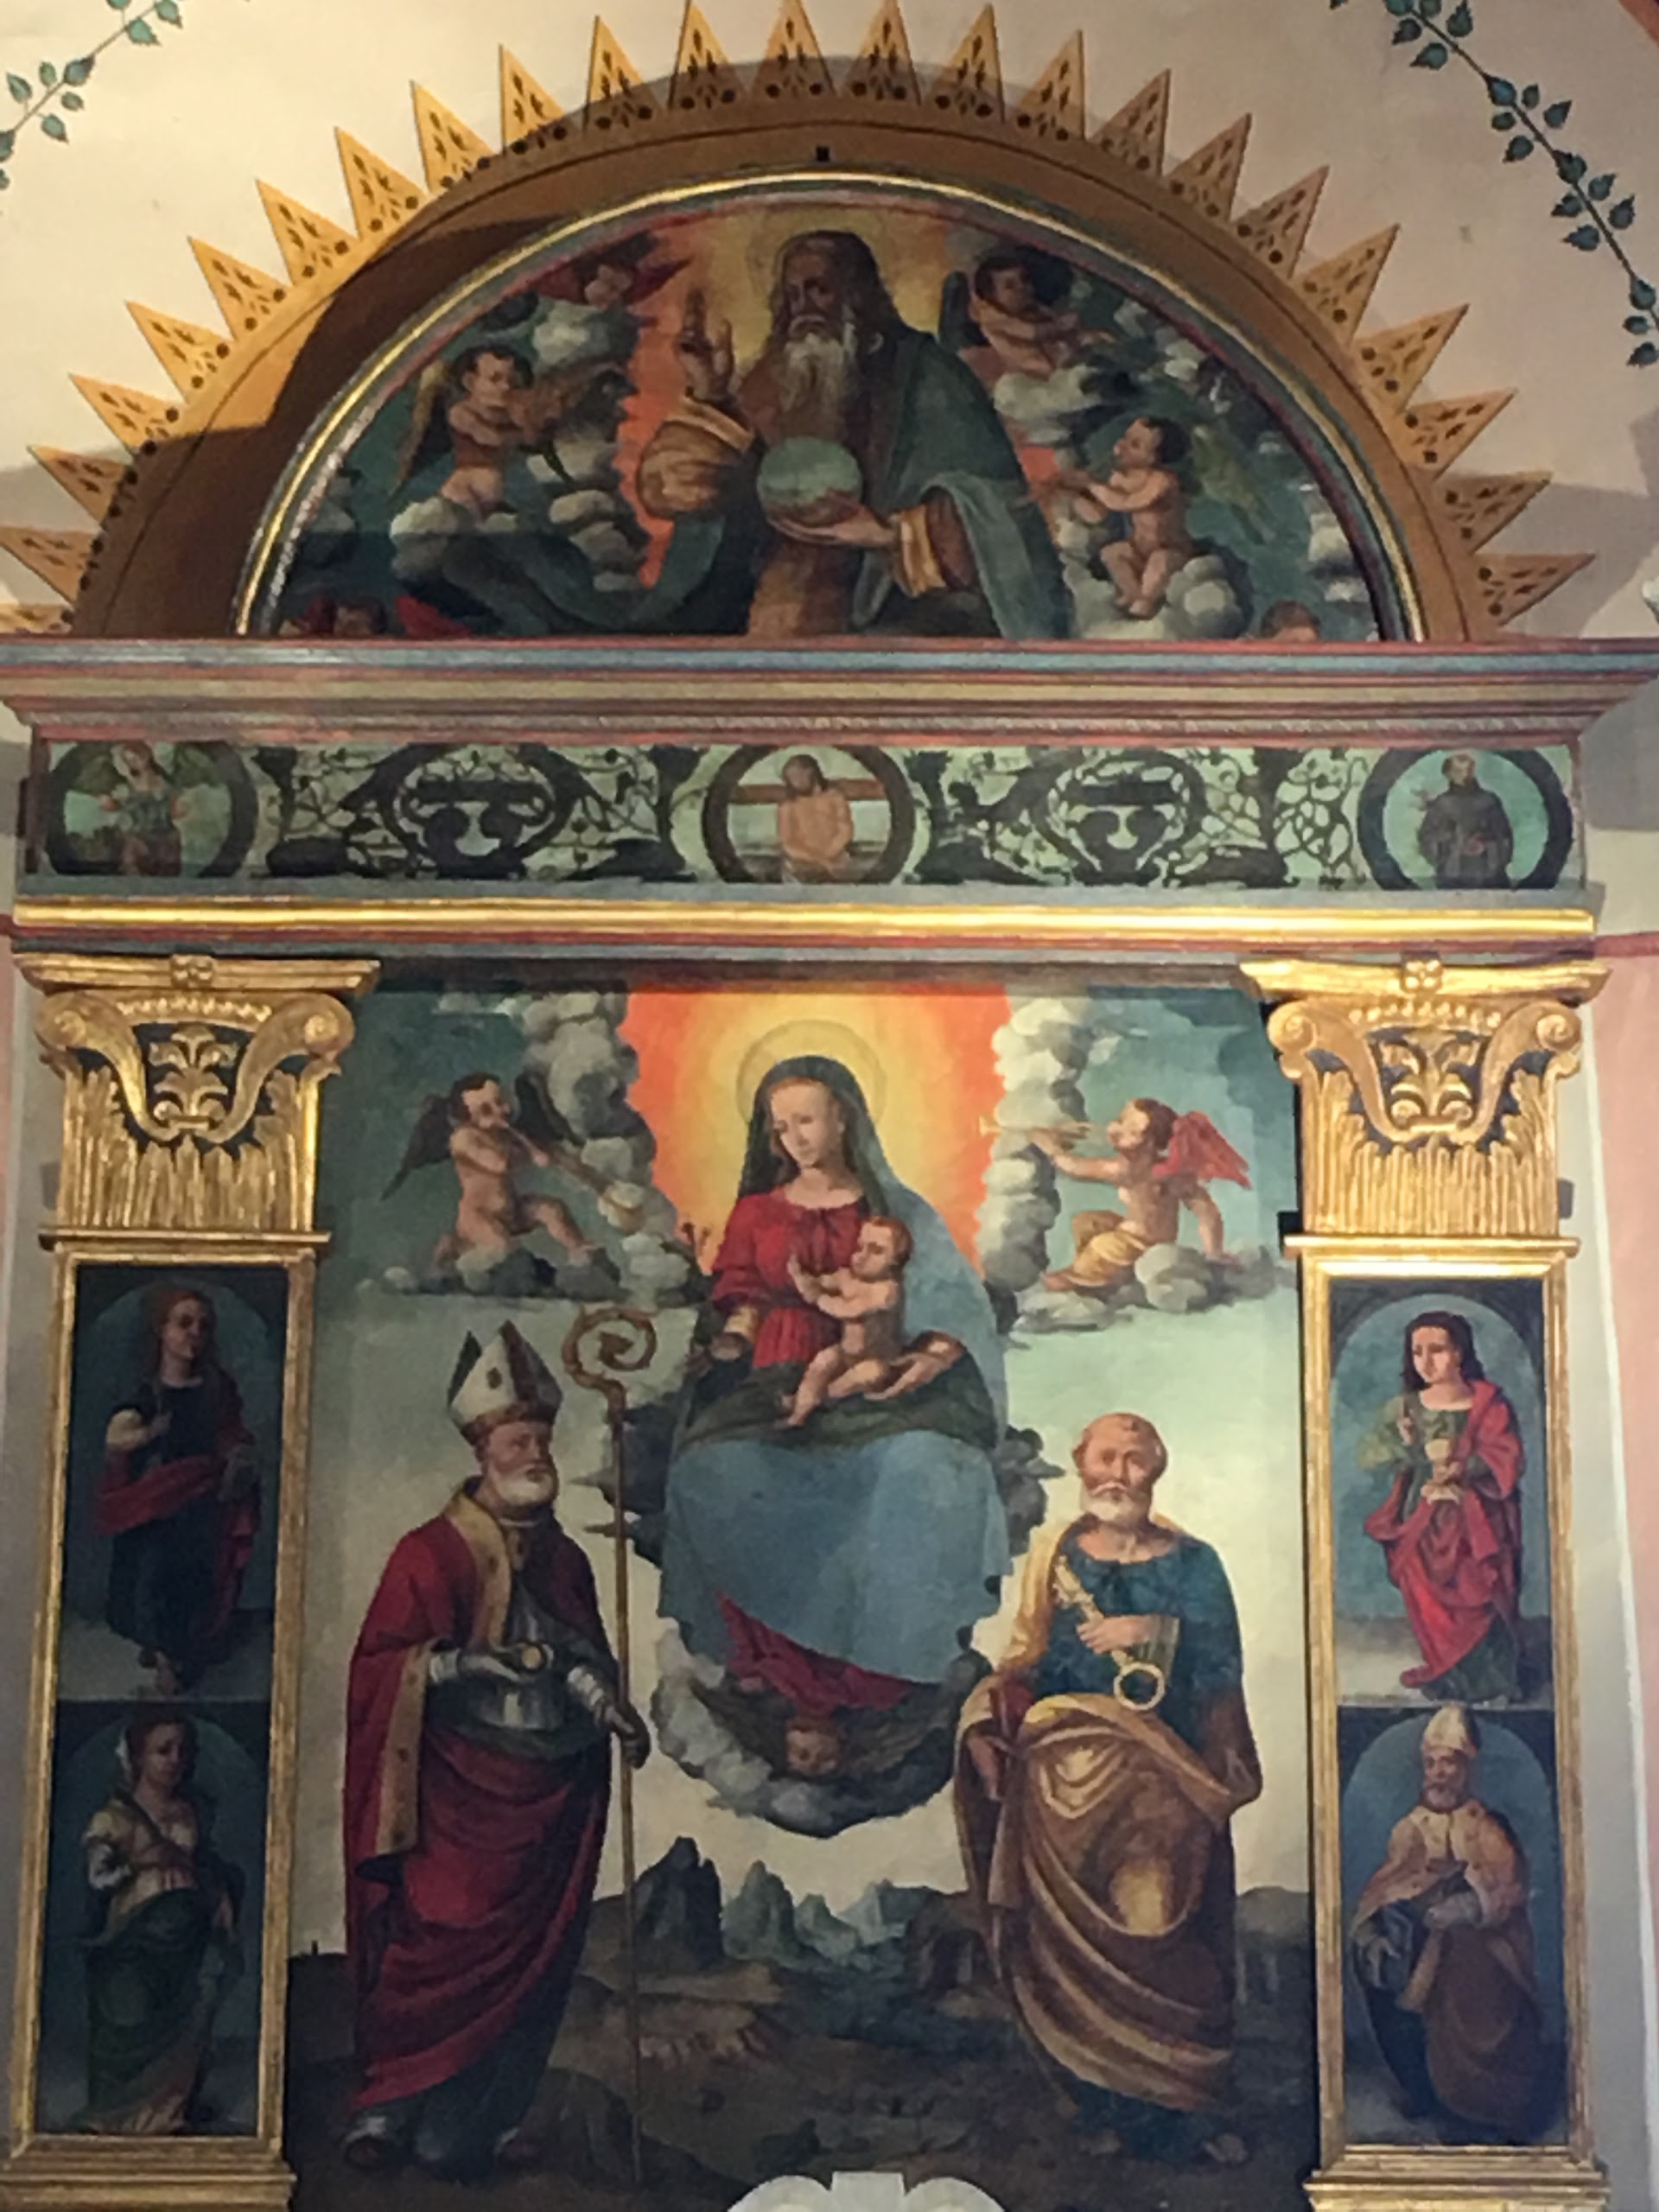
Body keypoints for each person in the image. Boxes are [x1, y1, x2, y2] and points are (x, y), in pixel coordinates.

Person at [342, 1325, 648, 2180]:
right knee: (431, 1940)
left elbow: (580, 1658)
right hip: (455, 1790)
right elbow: (380, 1667)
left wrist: (611, 1707)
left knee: (533, 1959)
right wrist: (467, 1663)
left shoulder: (566, 1560)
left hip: (547, 1789)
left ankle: (484, 2118)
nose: (536, 1453)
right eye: (520, 1440)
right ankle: (387, 2104)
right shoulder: (427, 1553)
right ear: (484, 1450)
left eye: (542, 1439)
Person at [660, 1054, 1008, 1782]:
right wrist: (728, 1344)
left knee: (931, 1467)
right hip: (776, 1377)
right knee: (708, 1470)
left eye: (807, 1120)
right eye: (780, 1126)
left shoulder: (895, 1212)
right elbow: (742, 1301)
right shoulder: (757, 1212)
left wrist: (934, 1354)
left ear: (843, 1117)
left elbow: (953, 1304)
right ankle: (774, 1663)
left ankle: (888, 1665)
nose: (794, 1138)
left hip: (880, 1377)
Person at [956, 1413, 1260, 2165]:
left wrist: (1154, 1630)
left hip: (1162, 1780)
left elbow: (1221, 1670)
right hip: (1059, 1785)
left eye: (1133, 1459)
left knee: (1157, 1925)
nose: (1117, 1473)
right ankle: (1108, 2106)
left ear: (1156, 1469)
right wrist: (980, 1721)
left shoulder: (1195, 1563)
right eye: (1104, 1457)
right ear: (1081, 1463)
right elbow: (1024, 1660)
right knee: (1067, 1952)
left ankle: (1185, 2104)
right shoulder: (1057, 1555)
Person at [635, 230, 1069, 639]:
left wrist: (889, 534)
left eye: (819, 289)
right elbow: (678, 493)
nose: (804, 308)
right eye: (793, 295)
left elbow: (998, 512)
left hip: (896, 612)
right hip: (774, 606)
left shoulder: (927, 376)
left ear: (858, 293)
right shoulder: (771, 379)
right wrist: (709, 392)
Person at [1351, 1706, 1545, 2139]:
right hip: (1421, 1945)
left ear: (1466, 1768)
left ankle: (1486, 2104)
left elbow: (1509, 1888)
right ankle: (1428, 2091)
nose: (1439, 1773)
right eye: (1432, 1763)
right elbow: (1386, 1886)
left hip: (1482, 1950)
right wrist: (1374, 1931)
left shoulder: (1486, 1826)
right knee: (1392, 1966)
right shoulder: (1410, 1828)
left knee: (1469, 1963)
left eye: (1449, 1763)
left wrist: (1470, 1907)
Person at [79, 1713, 242, 2134]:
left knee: (189, 2014)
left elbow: (201, 1865)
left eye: (182, 1751)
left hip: (188, 1934)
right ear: (138, 1756)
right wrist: (139, 1863)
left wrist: (220, 1898)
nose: (174, 1760)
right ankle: (117, 2116)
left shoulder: (190, 1811)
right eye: (163, 1750)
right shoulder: (114, 1817)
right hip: (136, 1934)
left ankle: (169, 2113)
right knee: (131, 2017)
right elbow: (99, 1879)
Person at [97, 1285, 259, 1697]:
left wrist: (237, 1458)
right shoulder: (147, 1394)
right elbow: (118, 1441)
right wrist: (148, 1434)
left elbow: (231, 1434)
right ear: (162, 1330)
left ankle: (179, 1650)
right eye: (184, 1324)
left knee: (194, 1579)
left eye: (203, 1325)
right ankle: (164, 1654)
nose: (194, 1334)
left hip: (203, 1502)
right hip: (156, 1502)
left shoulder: (216, 1390)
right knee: (151, 1576)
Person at [1359, 1311, 1524, 1704]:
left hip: (1474, 1518)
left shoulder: (1487, 1403)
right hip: (1421, 1516)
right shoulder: (1404, 1407)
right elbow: (1369, 1455)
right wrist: (1402, 1444)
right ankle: (1445, 1670)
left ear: (1459, 1352)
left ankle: (1489, 1679)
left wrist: (1464, 1467)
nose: (1426, 1362)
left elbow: (1508, 1457)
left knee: (1479, 1590)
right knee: (1426, 1594)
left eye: (1437, 1350)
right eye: (1417, 1352)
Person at [1031, 1098, 1249, 1294]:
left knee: (1100, 1244)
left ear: (1150, 1143)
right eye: (1120, 1120)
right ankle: (1107, 1273)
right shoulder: (1170, 1171)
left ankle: (1081, 1279)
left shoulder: (1127, 1169)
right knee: (1088, 1222)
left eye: (1133, 1131)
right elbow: (1207, 1211)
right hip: (1142, 1236)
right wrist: (1214, 1251)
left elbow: (1073, 1167)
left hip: (1141, 1243)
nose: (1116, 1129)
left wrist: (1050, 1147)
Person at [781, 1214, 912, 1426]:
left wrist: (818, 1298)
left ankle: (819, 1399)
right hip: (845, 1353)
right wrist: (800, 1278)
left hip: (876, 1359)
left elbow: (849, 1311)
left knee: (861, 1376)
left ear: (895, 1260)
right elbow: (817, 1284)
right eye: (860, 1247)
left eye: (876, 1251)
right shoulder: (846, 1277)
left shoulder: (886, 1290)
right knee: (821, 1363)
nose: (862, 1256)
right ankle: (798, 1415)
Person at [1077, 416, 1193, 618]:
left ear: (1154, 458)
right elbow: (1101, 512)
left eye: (1135, 445)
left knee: (1160, 561)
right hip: (1139, 549)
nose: (1120, 446)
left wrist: (1091, 484)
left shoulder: (1162, 481)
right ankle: (1132, 594)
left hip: (1170, 550)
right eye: (1125, 437)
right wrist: (1077, 497)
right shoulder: (1121, 477)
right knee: (1112, 553)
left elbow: (1127, 503)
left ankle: (1146, 601)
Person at [1417, 753, 1516, 890]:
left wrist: (1485, 844)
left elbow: (1504, 838)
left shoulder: (1489, 801)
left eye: (1469, 770)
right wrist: (1455, 841)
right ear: (1449, 774)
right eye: (1458, 771)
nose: (1465, 775)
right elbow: (1427, 838)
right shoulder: (1442, 805)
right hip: (1453, 875)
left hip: (1488, 876)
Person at [776, 754, 855, 881]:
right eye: (792, 778)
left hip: (836, 857)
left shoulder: (835, 797)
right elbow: (788, 842)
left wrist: (830, 853)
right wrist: (817, 859)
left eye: (799, 775)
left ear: (813, 773)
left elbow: (845, 830)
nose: (796, 781)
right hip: (801, 861)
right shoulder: (787, 806)